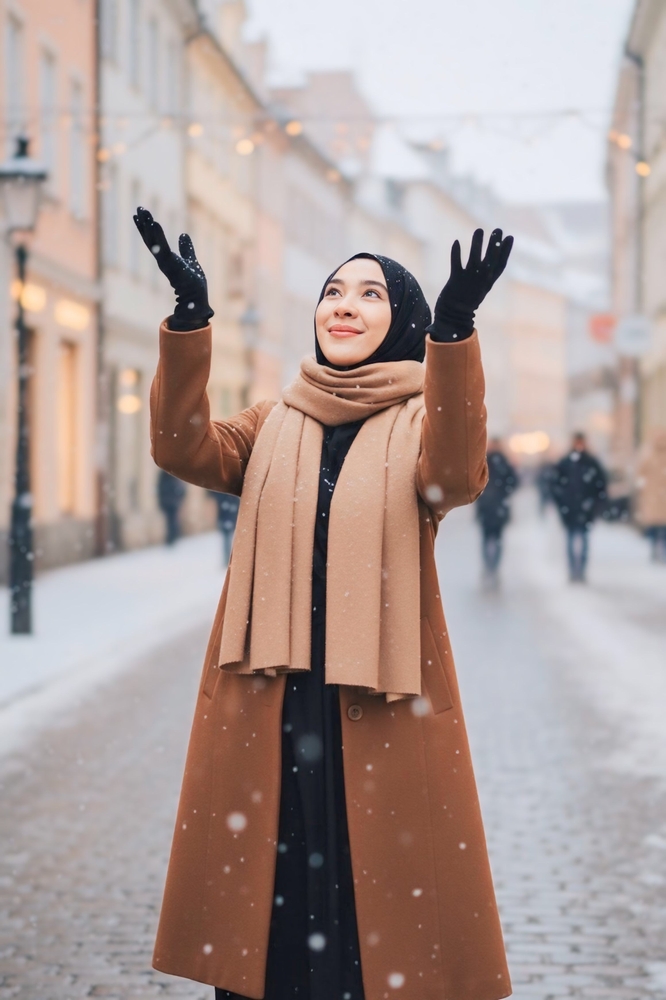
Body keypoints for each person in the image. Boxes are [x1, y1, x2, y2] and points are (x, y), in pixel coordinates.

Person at [134, 206, 514, 1000]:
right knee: (263, 907)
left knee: (370, 910)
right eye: (334, 290)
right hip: (269, 702)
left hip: (374, 702)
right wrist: (190, 321)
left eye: (371, 294)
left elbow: (454, 475)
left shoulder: (419, 424)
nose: (343, 304)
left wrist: (453, 335)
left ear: (400, 319)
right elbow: (181, 446)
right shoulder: (274, 420)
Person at [551, 432, 607, 582]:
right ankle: (573, 571)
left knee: (583, 541)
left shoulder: (590, 462)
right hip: (570, 509)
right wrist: (562, 502)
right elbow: (555, 485)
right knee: (571, 541)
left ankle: (580, 571)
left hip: (585, 509)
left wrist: (596, 504)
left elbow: (600, 485)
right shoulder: (566, 462)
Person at [475, 438, 518, 586]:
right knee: (496, 539)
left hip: (487, 506)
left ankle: (489, 567)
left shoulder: (483, 461)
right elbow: (514, 482)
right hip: (498, 506)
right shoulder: (503, 462)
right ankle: (492, 567)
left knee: (487, 539)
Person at [635, 428, 666, 563]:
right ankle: (659, 551)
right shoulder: (649, 455)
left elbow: (640, 475)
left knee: (656, 527)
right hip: (657, 497)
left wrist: (643, 489)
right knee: (661, 527)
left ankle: (656, 550)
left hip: (654, 497)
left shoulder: (649, 455)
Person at [209, 490, 240, 565]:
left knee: (232, 539)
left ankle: (231, 559)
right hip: (227, 517)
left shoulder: (225, 495)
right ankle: (229, 560)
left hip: (231, 517)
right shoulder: (224, 495)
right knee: (227, 539)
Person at [157, 469, 186, 545]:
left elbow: (181, 490)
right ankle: (172, 537)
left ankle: (172, 537)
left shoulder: (170, 477)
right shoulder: (170, 477)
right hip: (170, 503)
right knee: (171, 520)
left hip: (171, 503)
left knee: (172, 520)